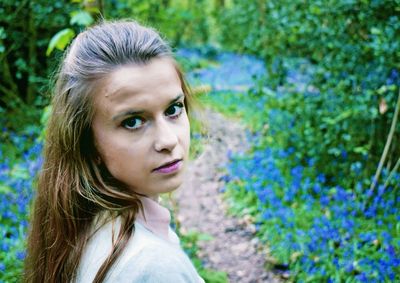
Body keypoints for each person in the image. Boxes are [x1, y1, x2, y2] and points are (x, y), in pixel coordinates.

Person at [24, 20, 204, 283]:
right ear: (88, 142)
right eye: (132, 122)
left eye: (173, 109)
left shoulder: (83, 228)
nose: (168, 140)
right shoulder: (152, 266)